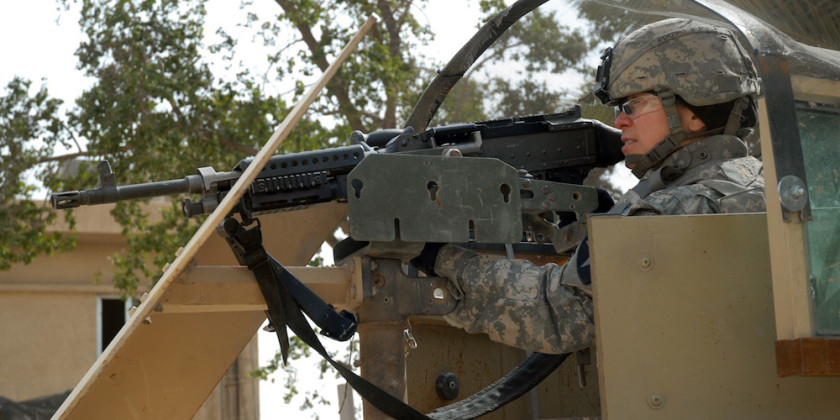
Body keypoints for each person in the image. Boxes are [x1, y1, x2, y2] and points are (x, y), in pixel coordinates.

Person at [416, 18, 766, 354]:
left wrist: (440, 258)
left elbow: (559, 311)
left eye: (634, 104)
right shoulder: (761, 185)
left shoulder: (674, 211)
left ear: (694, 111)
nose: (620, 121)